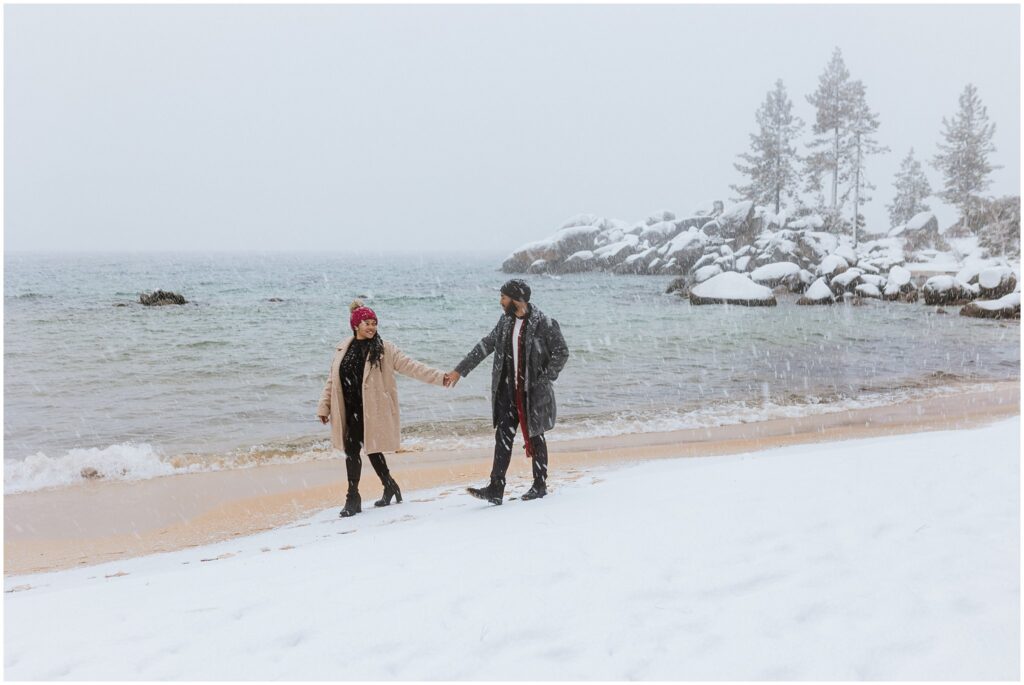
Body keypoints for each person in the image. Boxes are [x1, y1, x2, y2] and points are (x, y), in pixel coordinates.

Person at [318, 300, 449, 517]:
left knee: (364, 449)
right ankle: (387, 486)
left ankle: (354, 497)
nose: (371, 327)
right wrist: (324, 407)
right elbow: (332, 381)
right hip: (348, 409)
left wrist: (440, 377)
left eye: (374, 323)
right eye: (367, 323)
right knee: (361, 450)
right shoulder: (343, 348)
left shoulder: (384, 349)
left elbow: (412, 366)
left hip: (372, 410)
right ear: (355, 325)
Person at [446, 279, 568, 504]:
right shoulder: (505, 322)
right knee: (502, 437)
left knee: (535, 436)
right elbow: (485, 345)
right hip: (508, 393)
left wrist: (544, 379)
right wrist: (459, 371)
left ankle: (539, 486)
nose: (501, 302)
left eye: (504, 297)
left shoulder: (545, 323)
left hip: (532, 393)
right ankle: (496, 487)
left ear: (517, 299)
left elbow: (562, 352)